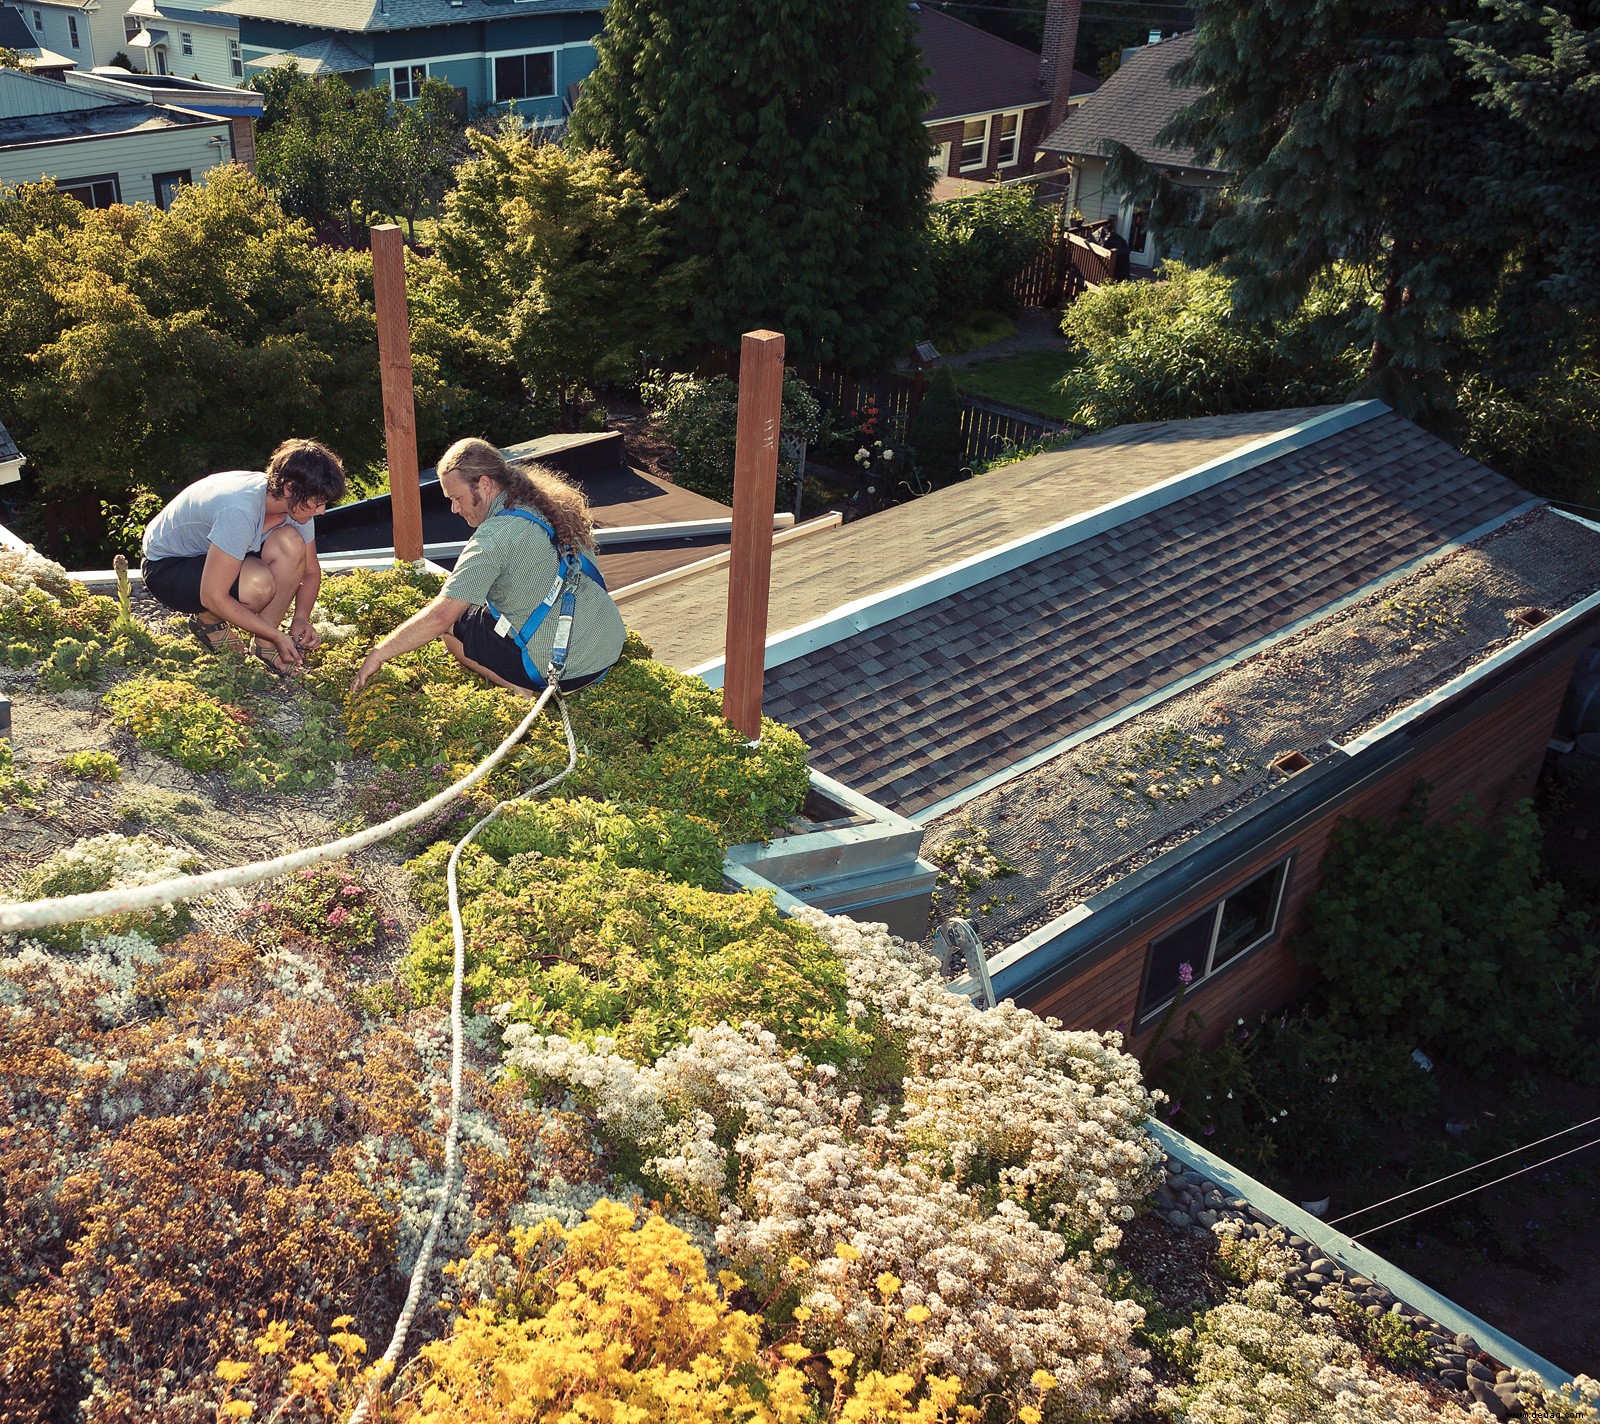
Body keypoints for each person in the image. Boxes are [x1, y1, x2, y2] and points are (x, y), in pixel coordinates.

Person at [352, 438, 625, 696]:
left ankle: (520, 688)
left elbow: (440, 618)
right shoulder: (549, 504)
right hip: (605, 649)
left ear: (484, 484)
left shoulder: (493, 538)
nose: (454, 509)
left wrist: (379, 653)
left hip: (561, 670)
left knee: (454, 625)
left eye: (456, 498)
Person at [140, 439, 347, 676]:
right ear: (289, 488)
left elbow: (310, 571)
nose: (321, 511)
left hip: (209, 555)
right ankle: (208, 623)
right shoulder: (240, 511)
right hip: (167, 567)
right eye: (317, 503)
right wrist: (278, 634)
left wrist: (300, 619)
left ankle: (264, 646)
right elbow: (213, 595)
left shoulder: (294, 507)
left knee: (291, 543)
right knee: (257, 585)